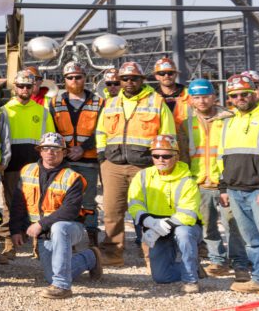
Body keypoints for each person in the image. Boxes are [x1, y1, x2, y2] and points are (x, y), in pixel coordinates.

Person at [95, 60, 175, 266]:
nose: (129, 82)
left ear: (142, 79)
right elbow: (101, 132)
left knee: (148, 212)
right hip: (113, 165)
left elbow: (167, 134)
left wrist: (162, 163)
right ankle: (113, 253)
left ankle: (153, 255)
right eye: (124, 79)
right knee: (112, 211)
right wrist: (103, 158)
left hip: (145, 166)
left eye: (134, 78)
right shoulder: (111, 103)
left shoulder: (156, 102)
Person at [9, 132, 101, 299]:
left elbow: (70, 211)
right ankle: (90, 257)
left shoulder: (72, 177)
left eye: (55, 149)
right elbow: (18, 203)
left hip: (70, 228)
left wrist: (40, 225)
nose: (50, 152)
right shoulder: (27, 171)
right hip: (45, 233)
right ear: (40, 151)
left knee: (59, 228)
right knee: (51, 274)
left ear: (64, 152)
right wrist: (15, 229)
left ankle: (62, 286)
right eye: (46, 148)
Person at [217, 74, 259, 295]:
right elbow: (222, 157)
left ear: (254, 94)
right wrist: (223, 188)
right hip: (235, 190)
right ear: (229, 98)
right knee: (252, 241)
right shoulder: (229, 122)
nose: (240, 98)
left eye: (244, 94)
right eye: (234, 95)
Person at [129, 134, 201, 294]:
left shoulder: (187, 180)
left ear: (176, 156)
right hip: (156, 227)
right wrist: (149, 222)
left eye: (166, 156)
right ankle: (194, 268)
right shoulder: (142, 176)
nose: (161, 159)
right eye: (156, 155)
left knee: (183, 234)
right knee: (161, 277)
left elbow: (188, 214)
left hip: (183, 227)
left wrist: (158, 229)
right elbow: (134, 204)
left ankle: (191, 279)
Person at [182, 78, 238, 279]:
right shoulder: (186, 124)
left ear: (214, 97)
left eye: (205, 96)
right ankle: (218, 261)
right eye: (197, 97)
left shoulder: (230, 119)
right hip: (200, 183)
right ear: (191, 100)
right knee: (208, 227)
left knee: (233, 225)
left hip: (226, 183)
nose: (202, 101)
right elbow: (183, 155)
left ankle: (239, 262)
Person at [49, 61, 102, 246]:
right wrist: (65, 150)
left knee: (88, 201)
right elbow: (52, 131)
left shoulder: (98, 102)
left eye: (78, 77)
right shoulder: (55, 102)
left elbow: (102, 131)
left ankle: (92, 238)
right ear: (64, 80)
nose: (74, 80)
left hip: (88, 160)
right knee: (64, 201)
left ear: (85, 78)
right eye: (70, 77)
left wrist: (83, 148)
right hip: (64, 161)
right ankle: (66, 237)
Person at [2, 68, 52, 258]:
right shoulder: (4, 111)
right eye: (21, 86)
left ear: (33, 88)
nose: (24, 89)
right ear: (15, 87)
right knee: (9, 205)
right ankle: (9, 245)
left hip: (35, 167)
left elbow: (48, 140)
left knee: (37, 206)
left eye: (28, 86)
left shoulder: (42, 112)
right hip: (12, 165)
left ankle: (38, 245)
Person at [154, 59, 189, 123]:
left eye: (170, 73)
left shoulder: (188, 94)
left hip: (184, 132)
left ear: (176, 74)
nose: (166, 76)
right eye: (162, 73)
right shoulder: (151, 97)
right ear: (156, 76)